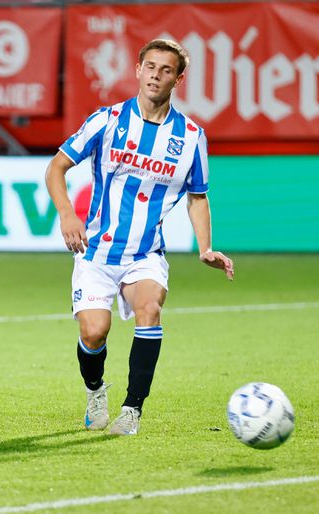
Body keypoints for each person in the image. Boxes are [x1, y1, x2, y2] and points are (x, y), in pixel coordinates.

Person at [45, 39, 234, 436]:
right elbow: (57, 167)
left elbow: (198, 197)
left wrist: (206, 247)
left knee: (150, 309)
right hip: (96, 252)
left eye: (166, 70)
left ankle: (132, 409)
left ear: (178, 79)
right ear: (137, 70)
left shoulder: (192, 136)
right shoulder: (106, 120)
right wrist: (67, 213)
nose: (155, 75)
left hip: (145, 253)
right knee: (93, 332)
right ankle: (95, 390)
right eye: (150, 66)